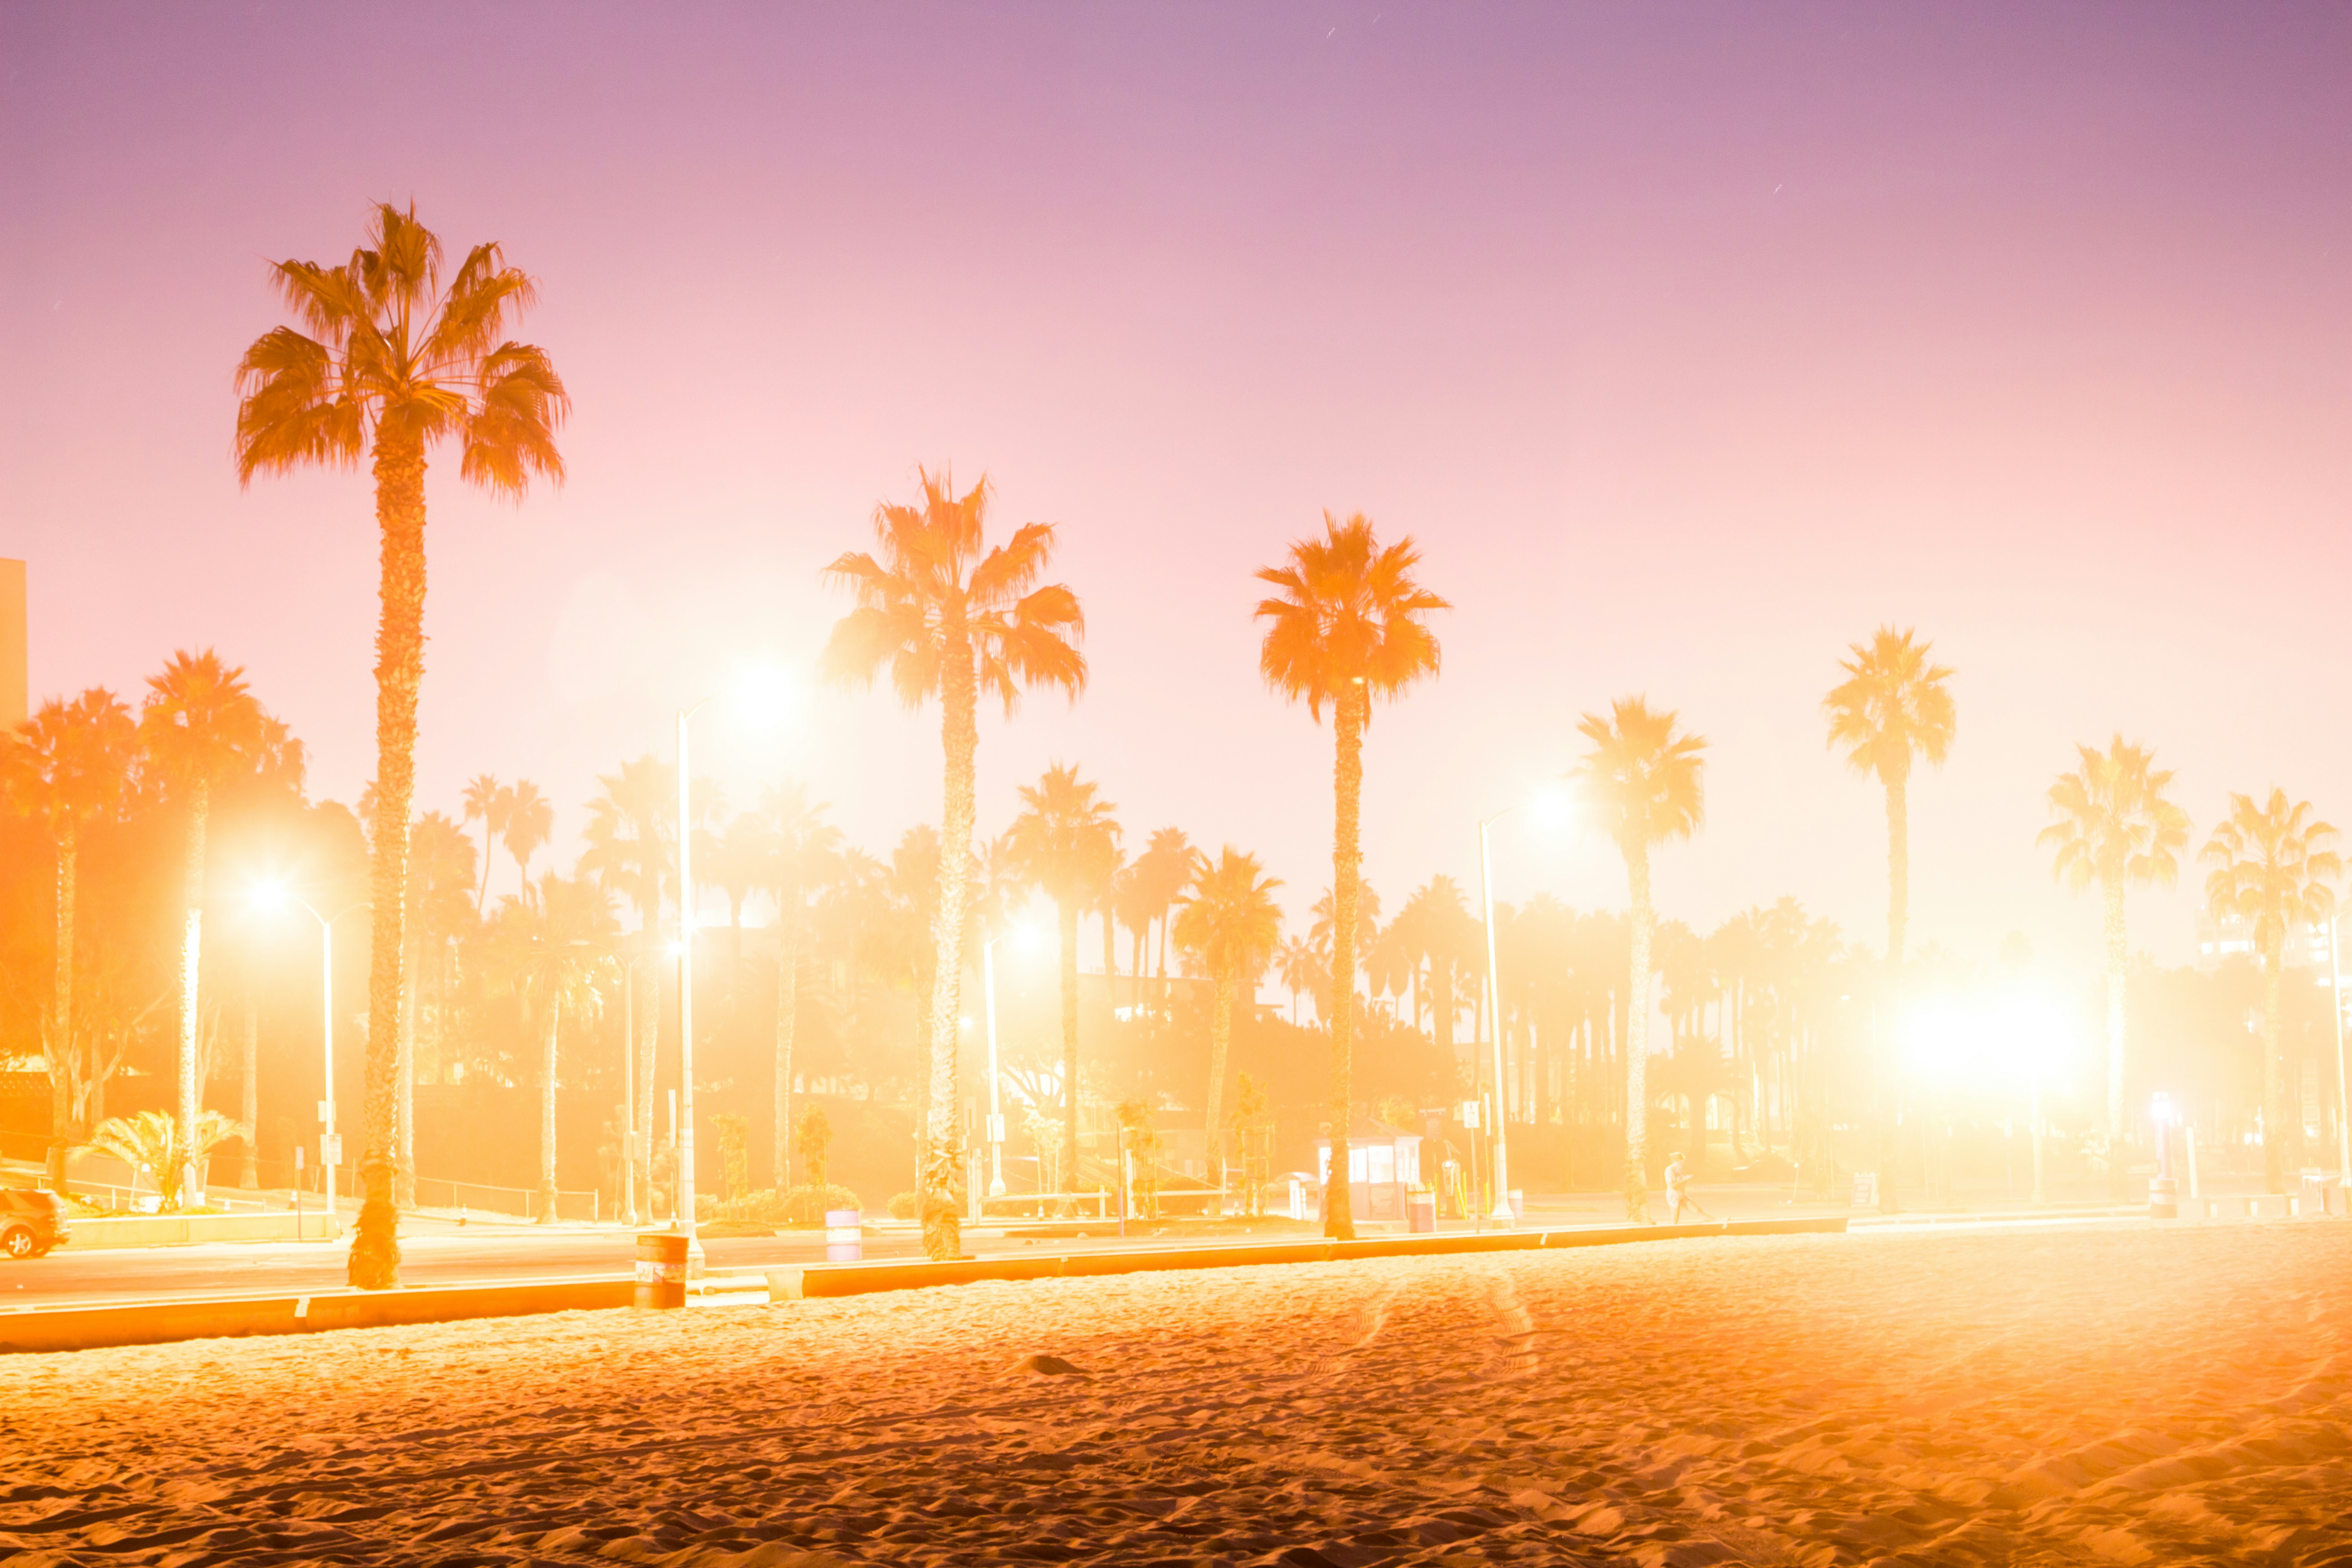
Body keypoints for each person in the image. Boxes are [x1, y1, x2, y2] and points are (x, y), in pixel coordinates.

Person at [1665, 1151, 1716, 1224]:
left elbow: (1682, 1183)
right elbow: (1672, 1186)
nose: (1682, 1164)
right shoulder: (1670, 1170)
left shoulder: (1679, 1169)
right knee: (1675, 1217)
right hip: (1674, 1196)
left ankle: (1718, 1222)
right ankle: (1672, 1230)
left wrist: (1687, 1179)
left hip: (1682, 1195)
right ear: (1675, 1161)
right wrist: (1685, 1180)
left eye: (1682, 1163)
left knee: (1697, 1210)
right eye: (1680, 1163)